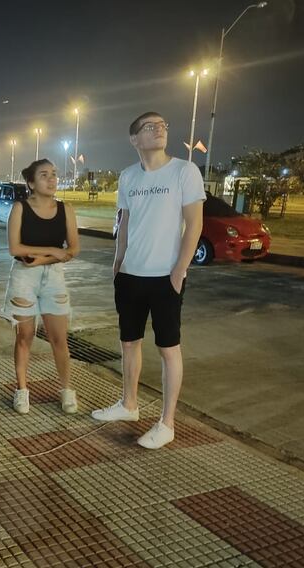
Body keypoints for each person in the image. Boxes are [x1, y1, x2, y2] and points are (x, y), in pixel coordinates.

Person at [91, 112, 204, 449]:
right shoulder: (127, 177)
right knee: (129, 342)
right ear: (134, 139)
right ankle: (129, 404)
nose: (159, 130)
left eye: (163, 125)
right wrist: (118, 263)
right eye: (149, 127)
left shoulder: (185, 171)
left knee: (168, 348)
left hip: (165, 276)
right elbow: (124, 223)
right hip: (130, 275)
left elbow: (194, 225)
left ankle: (167, 423)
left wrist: (179, 270)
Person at [4, 159, 79, 415]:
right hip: (24, 277)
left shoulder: (65, 209)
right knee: (25, 337)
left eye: (54, 174)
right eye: (45, 175)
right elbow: (15, 248)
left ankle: (67, 390)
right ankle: (22, 390)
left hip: (54, 277)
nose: (52, 179)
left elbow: (73, 249)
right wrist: (52, 251)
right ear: (31, 183)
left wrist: (45, 259)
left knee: (59, 338)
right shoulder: (20, 208)